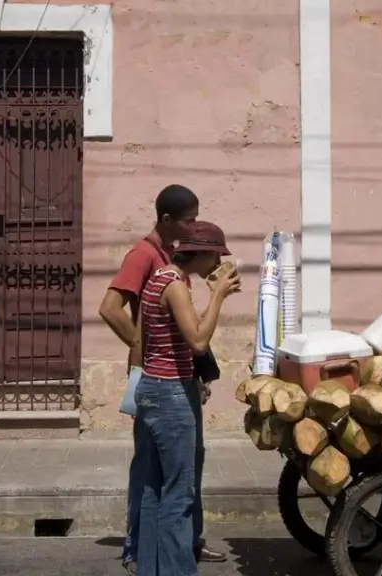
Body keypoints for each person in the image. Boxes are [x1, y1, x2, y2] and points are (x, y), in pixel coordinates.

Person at [97, 184, 227, 575]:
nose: (192, 227)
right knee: (169, 485)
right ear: (168, 220)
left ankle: (165, 555)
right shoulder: (147, 259)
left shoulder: (166, 266)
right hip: (164, 386)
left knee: (164, 480)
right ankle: (149, 554)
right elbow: (110, 308)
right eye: (188, 221)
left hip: (166, 378)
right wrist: (142, 346)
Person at [134, 221, 241, 576]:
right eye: (216, 256)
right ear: (202, 253)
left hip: (151, 388)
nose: (217, 264)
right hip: (169, 395)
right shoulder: (176, 286)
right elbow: (197, 341)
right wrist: (219, 297)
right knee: (179, 495)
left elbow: (153, 340)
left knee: (153, 490)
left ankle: (150, 568)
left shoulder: (159, 277)